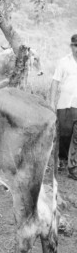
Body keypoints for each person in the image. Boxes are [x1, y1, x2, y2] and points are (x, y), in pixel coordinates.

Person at [50, 34, 77, 180]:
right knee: (64, 135)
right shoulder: (63, 62)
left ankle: (73, 167)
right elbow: (55, 82)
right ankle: (63, 160)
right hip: (65, 105)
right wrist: (52, 102)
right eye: (75, 46)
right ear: (71, 46)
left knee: (76, 138)